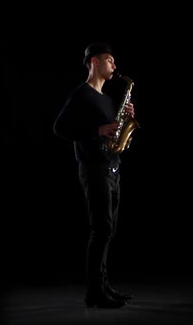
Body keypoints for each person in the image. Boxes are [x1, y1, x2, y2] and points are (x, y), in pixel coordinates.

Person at [53, 42, 136, 308]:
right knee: (101, 230)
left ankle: (103, 286)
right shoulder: (81, 94)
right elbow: (60, 128)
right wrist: (97, 130)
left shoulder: (109, 99)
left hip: (113, 168)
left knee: (108, 231)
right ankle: (94, 293)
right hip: (93, 168)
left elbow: (115, 133)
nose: (114, 65)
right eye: (109, 59)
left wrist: (123, 123)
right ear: (94, 62)